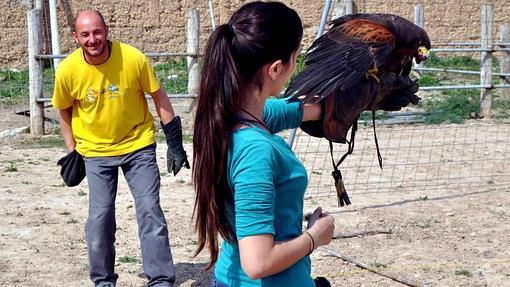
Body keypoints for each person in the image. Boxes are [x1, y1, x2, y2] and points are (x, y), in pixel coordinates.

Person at [192, 2, 336, 286]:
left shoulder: (226, 117)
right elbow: (258, 262)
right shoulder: (255, 150)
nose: (295, 67)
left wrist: (341, 101)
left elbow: (291, 110)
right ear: (275, 69)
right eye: (296, 58)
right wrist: (315, 236)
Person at [52, 10, 189, 287]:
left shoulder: (133, 59)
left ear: (107, 30)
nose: (93, 39)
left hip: (138, 145)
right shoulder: (67, 70)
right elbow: (63, 110)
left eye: (97, 32)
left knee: (150, 210)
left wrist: (174, 141)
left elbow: (158, 96)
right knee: (100, 218)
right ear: (75, 37)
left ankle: (161, 279)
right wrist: (72, 150)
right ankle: (103, 281)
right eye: (85, 34)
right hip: (94, 152)